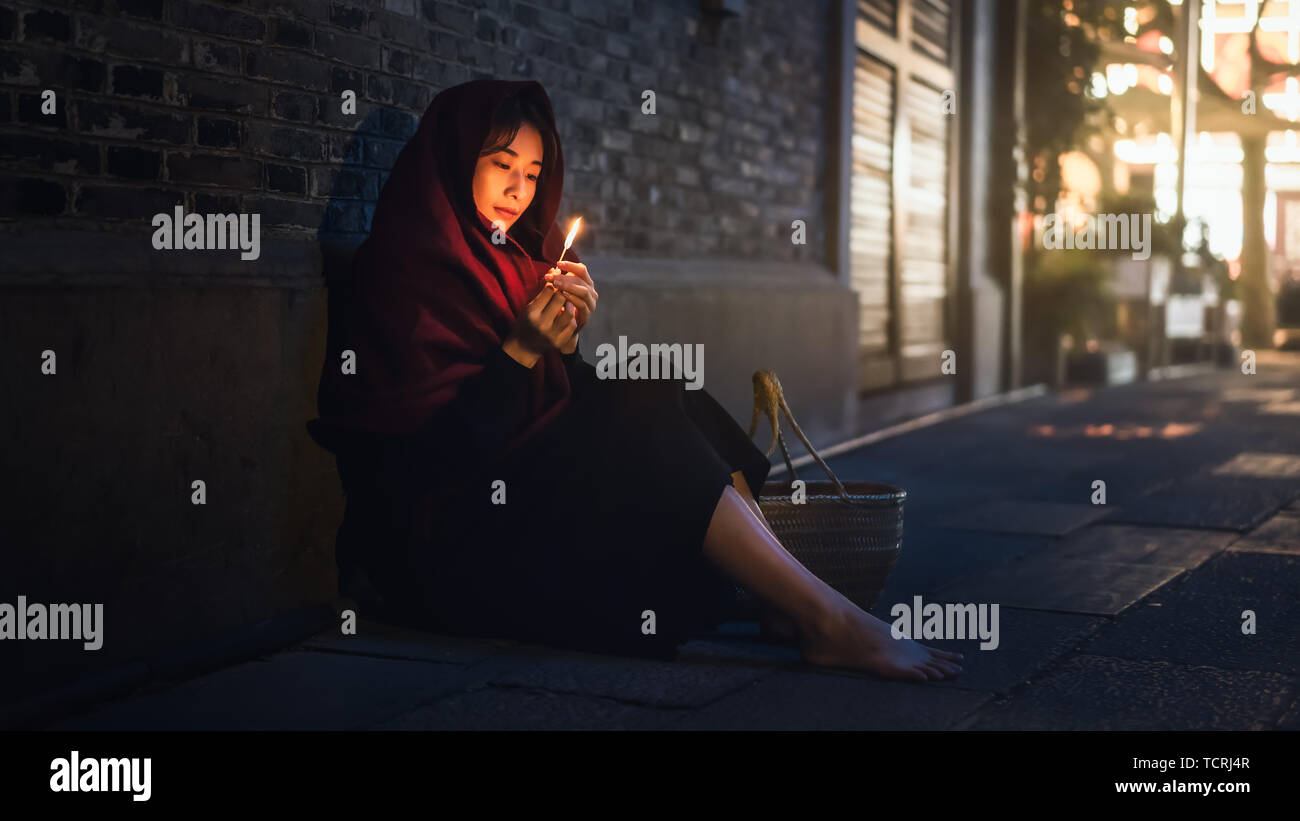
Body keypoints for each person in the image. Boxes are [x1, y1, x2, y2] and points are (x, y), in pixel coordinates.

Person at [307, 79, 962, 682]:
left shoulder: (515, 259)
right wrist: (522, 350)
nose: (518, 189)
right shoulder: (405, 275)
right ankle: (826, 617)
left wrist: (564, 344)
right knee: (637, 414)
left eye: (532, 173)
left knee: (663, 391)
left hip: (519, 479)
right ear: (454, 161)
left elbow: (557, 397)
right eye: (502, 164)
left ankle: (784, 596)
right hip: (449, 538)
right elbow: (427, 462)